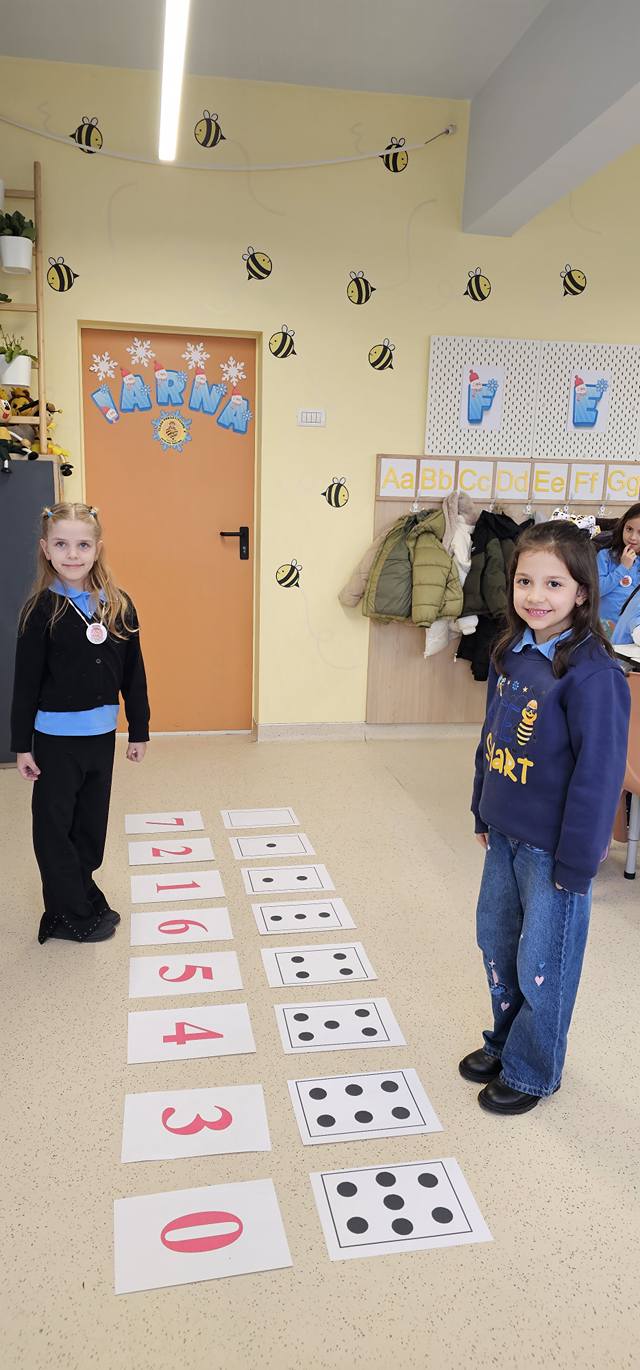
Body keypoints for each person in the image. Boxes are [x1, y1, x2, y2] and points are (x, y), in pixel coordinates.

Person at [462, 521, 629, 1115]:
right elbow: (491, 738)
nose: (536, 596)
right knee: (498, 943)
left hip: (554, 851)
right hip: (504, 834)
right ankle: (505, 1042)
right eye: (525, 581)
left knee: (543, 964)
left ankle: (534, 1071)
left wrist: (577, 863)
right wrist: (481, 805)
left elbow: (599, 777)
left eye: (554, 584)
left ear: (582, 591)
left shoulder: (595, 674)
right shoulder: (509, 653)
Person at [10, 502, 150, 945]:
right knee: (54, 828)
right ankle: (68, 914)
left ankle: (81, 892)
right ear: (45, 549)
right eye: (62, 544)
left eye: (83, 545)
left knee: (90, 827)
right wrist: (22, 744)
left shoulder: (118, 605)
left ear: (97, 548)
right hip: (55, 740)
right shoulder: (41, 610)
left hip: (101, 738)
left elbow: (134, 673)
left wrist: (139, 729)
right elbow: (25, 684)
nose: (72, 554)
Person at [597, 501, 640, 636]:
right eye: (629, 529)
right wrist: (623, 568)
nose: (633, 537)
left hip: (630, 631)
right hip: (603, 627)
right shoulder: (605, 556)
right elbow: (597, 590)